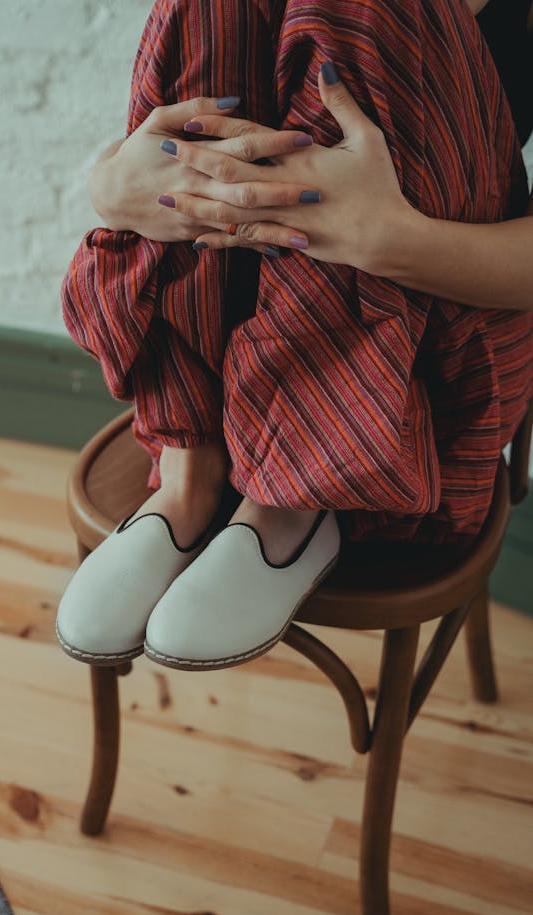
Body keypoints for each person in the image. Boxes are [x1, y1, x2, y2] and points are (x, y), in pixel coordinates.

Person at [56, 0, 533, 672]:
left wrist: (391, 240)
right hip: (227, 354)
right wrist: (113, 183)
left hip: (420, 366)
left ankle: (291, 500)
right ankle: (191, 469)